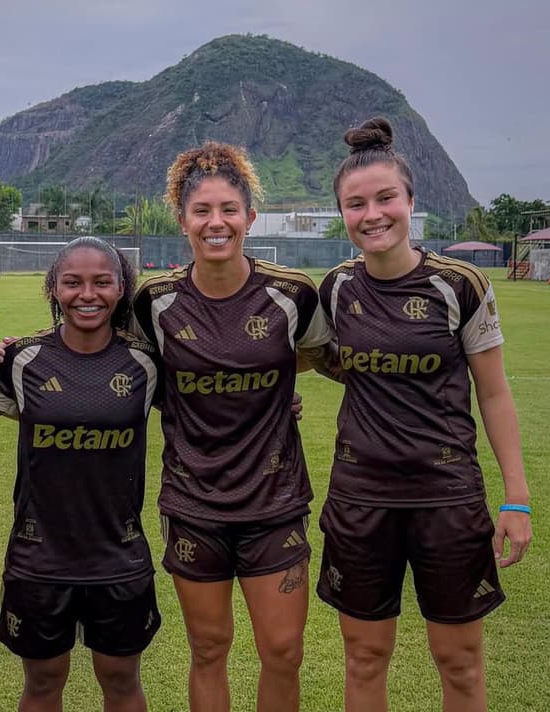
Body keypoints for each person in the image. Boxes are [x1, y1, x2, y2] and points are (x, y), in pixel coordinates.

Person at [316, 117, 532, 712]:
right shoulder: (334, 289)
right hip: (360, 498)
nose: (373, 214)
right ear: (343, 214)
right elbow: (313, 356)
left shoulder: (459, 284)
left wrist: (515, 498)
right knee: (363, 660)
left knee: (459, 664)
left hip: (447, 497)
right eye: (356, 204)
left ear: (411, 201)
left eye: (386, 198)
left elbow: (494, 394)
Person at [132, 142, 333, 711]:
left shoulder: (292, 294)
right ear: (183, 220)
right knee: (209, 648)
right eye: (202, 211)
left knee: (283, 650)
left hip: (275, 499)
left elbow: (320, 357)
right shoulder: (155, 302)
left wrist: (277, 393)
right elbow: (132, 375)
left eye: (228, 210)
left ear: (248, 217)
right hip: (195, 502)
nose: (215, 222)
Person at [0, 236, 161, 712]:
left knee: (121, 680)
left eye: (102, 282)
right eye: (72, 282)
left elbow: (207, 405)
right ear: (53, 288)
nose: (87, 294)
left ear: (121, 289)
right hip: (40, 556)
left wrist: (277, 404)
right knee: (43, 681)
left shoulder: (145, 363)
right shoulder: (22, 359)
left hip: (118, 554)